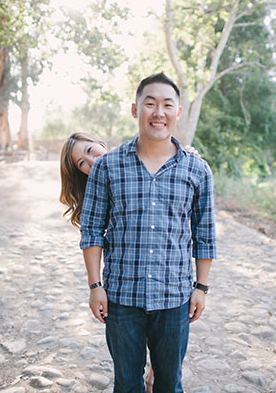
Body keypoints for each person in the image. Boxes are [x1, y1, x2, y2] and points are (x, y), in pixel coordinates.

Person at [79, 72, 217, 392]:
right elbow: (92, 231)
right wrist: (95, 285)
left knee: (169, 382)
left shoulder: (197, 170)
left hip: (174, 298)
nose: (159, 112)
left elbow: (205, 234)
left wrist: (202, 287)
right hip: (121, 297)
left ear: (177, 113)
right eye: (150, 104)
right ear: (135, 109)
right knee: (126, 384)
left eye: (168, 105)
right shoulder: (107, 166)